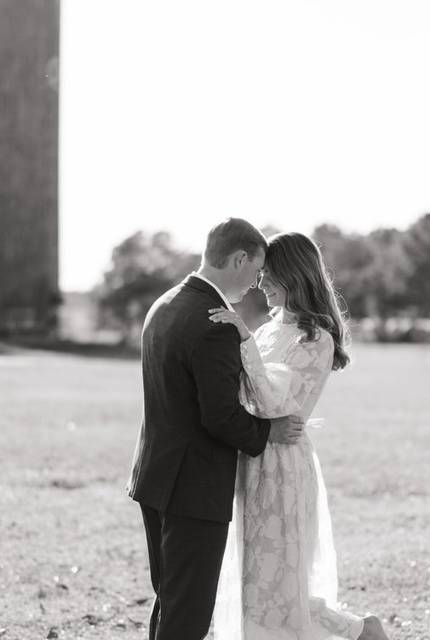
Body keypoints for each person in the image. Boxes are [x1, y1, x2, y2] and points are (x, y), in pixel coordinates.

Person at [127, 218, 307, 640]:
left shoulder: (165, 304)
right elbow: (220, 416)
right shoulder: (215, 324)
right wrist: (270, 431)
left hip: (154, 476)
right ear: (239, 258)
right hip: (193, 486)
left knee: (172, 601)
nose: (257, 282)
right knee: (188, 613)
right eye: (256, 269)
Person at [209, 232, 389, 640]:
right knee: (254, 582)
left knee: (279, 586)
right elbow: (243, 390)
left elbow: (274, 402)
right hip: (251, 458)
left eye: (268, 275)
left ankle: (361, 630)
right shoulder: (270, 330)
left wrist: (241, 339)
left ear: (292, 275)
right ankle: (361, 630)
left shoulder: (315, 339)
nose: (260, 284)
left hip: (282, 467)